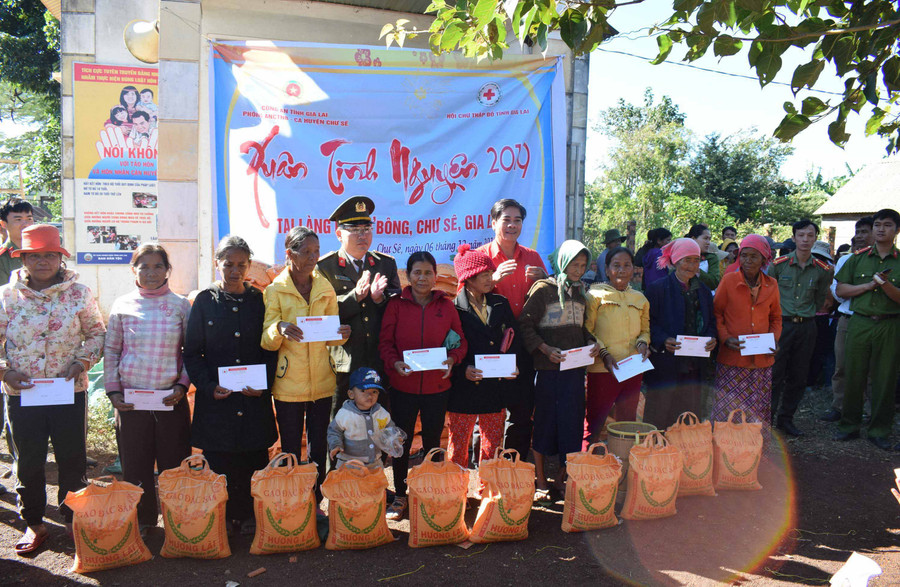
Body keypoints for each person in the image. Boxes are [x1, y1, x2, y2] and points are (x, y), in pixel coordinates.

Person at [1, 225, 105, 554]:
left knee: (72, 458)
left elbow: (97, 334)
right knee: (29, 461)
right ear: (24, 257)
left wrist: (81, 363)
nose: (43, 261)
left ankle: (74, 519)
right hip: (23, 393)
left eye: (50, 254)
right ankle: (34, 523)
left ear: (60, 258)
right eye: (35, 255)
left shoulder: (80, 294)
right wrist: (5, 371)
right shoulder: (6, 295)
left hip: (67, 391)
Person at [184, 235, 277, 536]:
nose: (234, 270)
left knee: (253, 457)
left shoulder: (258, 301)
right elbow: (192, 352)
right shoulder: (204, 301)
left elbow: (269, 349)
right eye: (228, 264)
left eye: (241, 264)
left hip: (252, 399)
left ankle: (249, 513)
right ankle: (222, 515)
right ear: (217, 264)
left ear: (249, 265)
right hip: (217, 401)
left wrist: (264, 386)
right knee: (219, 461)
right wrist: (208, 387)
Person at [105, 244, 192, 534]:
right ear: (134, 270)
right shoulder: (122, 305)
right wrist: (114, 392)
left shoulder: (181, 305)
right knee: (135, 465)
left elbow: (191, 353)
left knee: (173, 466)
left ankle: (176, 519)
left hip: (170, 399)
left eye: (158, 266)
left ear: (167, 270)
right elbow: (112, 352)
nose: (151, 272)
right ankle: (142, 521)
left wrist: (182, 385)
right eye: (144, 266)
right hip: (132, 402)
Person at [261, 226, 350, 503]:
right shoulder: (275, 290)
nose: (313, 257)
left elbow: (330, 339)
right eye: (306, 252)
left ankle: (315, 501)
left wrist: (340, 335)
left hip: (322, 381)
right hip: (288, 383)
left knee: (318, 446)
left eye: (316, 251)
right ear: (290, 254)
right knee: (289, 447)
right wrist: (279, 328)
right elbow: (266, 340)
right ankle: (291, 501)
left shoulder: (324, 287)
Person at [379, 250, 466, 519]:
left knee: (432, 444)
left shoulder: (446, 305)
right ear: (409, 275)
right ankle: (401, 495)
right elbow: (385, 343)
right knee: (401, 444)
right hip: (403, 386)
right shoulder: (395, 305)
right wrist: (395, 364)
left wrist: (452, 359)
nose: (423, 278)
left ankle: (431, 493)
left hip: (437, 389)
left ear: (436, 277)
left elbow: (460, 341)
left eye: (428, 272)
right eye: (417, 272)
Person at [518, 240, 599, 499]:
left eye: (583, 265)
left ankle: (563, 476)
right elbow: (525, 325)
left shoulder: (581, 292)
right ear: (562, 262)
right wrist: (544, 349)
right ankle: (541, 479)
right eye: (574, 264)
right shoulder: (542, 289)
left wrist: (590, 342)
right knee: (544, 422)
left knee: (571, 424)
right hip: (547, 371)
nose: (578, 269)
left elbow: (582, 328)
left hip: (574, 372)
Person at [316, 196, 401, 421]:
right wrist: (357, 296)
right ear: (338, 234)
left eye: (366, 228)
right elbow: (321, 313)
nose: (362, 235)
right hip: (344, 361)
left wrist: (378, 298)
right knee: (339, 424)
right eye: (354, 229)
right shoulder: (325, 267)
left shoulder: (385, 263)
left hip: (378, 359)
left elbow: (398, 309)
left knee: (380, 422)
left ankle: (380, 459)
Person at [475, 199, 546, 459]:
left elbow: (548, 298)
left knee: (522, 407)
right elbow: (463, 301)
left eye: (517, 220)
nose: (512, 225)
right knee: (488, 406)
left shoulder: (532, 256)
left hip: (524, 341)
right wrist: (490, 280)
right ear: (493, 223)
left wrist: (545, 281)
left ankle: (513, 462)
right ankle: (483, 468)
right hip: (490, 342)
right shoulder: (480, 257)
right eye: (506, 220)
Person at [448, 244, 519, 473]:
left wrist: (512, 367)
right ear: (468, 279)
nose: (491, 279)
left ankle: (487, 492)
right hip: (464, 390)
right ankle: (454, 496)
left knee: (492, 445)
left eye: (491, 273)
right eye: (485, 275)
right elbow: (447, 349)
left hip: (493, 388)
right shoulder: (453, 309)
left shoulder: (500, 303)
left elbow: (513, 338)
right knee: (458, 446)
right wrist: (462, 370)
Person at [833, 208, 900, 451]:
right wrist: (869, 285)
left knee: (885, 378)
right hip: (859, 321)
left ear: (896, 230)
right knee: (854, 374)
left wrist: (885, 286)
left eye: (888, 225)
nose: (881, 229)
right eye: (878, 225)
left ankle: (879, 430)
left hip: (890, 323)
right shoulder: (857, 258)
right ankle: (849, 426)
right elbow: (841, 291)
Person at [643, 238, 717, 429]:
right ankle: (656, 451)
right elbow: (647, 322)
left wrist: (711, 338)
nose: (692, 265)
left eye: (696, 260)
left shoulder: (704, 291)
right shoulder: (657, 289)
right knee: (660, 412)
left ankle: (684, 452)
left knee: (688, 413)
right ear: (676, 261)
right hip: (666, 364)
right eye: (687, 260)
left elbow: (711, 322)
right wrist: (662, 339)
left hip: (694, 364)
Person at [769, 219, 832, 437]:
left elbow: (820, 298)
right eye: (801, 235)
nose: (806, 240)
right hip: (781, 326)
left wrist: (805, 315)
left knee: (798, 375)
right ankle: (767, 419)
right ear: (794, 237)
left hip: (807, 326)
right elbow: (768, 296)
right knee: (775, 374)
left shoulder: (823, 269)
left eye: (810, 235)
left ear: (816, 238)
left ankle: (786, 419)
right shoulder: (778, 265)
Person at [712, 235, 782, 430]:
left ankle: (753, 451)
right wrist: (725, 338)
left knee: (756, 409)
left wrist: (774, 341)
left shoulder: (771, 284)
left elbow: (776, 318)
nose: (747, 261)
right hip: (733, 358)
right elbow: (717, 314)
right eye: (744, 256)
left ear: (764, 259)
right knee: (728, 408)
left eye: (753, 256)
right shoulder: (729, 281)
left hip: (762, 359)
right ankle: (726, 450)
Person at [584, 247, 650, 447]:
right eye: (616, 265)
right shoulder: (594, 295)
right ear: (606, 268)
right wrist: (603, 353)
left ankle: (621, 466)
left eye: (626, 265)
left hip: (632, 368)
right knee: (594, 423)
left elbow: (646, 330)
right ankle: (585, 467)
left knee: (627, 423)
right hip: (603, 369)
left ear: (633, 269)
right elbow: (587, 331)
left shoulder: (640, 298)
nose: (621, 270)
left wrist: (643, 343)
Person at [823, 217, 874, 422]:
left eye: (864, 232)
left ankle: (870, 410)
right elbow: (838, 292)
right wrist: (864, 289)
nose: (859, 236)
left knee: (871, 369)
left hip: (873, 320)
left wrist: (853, 290)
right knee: (842, 365)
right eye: (858, 232)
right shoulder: (846, 260)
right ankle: (839, 406)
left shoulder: (889, 262)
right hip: (847, 318)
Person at [327, 367, 397, 469]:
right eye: (363, 390)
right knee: (350, 485)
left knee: (376, 485)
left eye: (374, 391)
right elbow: (334, 431)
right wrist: (336, 445)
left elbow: (390, 428)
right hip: (349, 465)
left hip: (375, 463)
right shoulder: (345, 413)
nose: (369, 395)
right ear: (351, 394)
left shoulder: (380, 412)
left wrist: (394, 438)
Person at [0, 197, 35, 285]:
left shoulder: (43, 252)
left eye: (29, 219)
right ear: (3, 224)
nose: (26, 224)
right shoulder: (2, 258)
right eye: (18, 220)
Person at [686, 224, 721, 289]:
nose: (708, 243)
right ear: (693, 239)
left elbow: (714, 283)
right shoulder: (681, 256)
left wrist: (696, 270)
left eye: (709, 239)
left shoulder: (711, 258)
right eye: (705, 238)